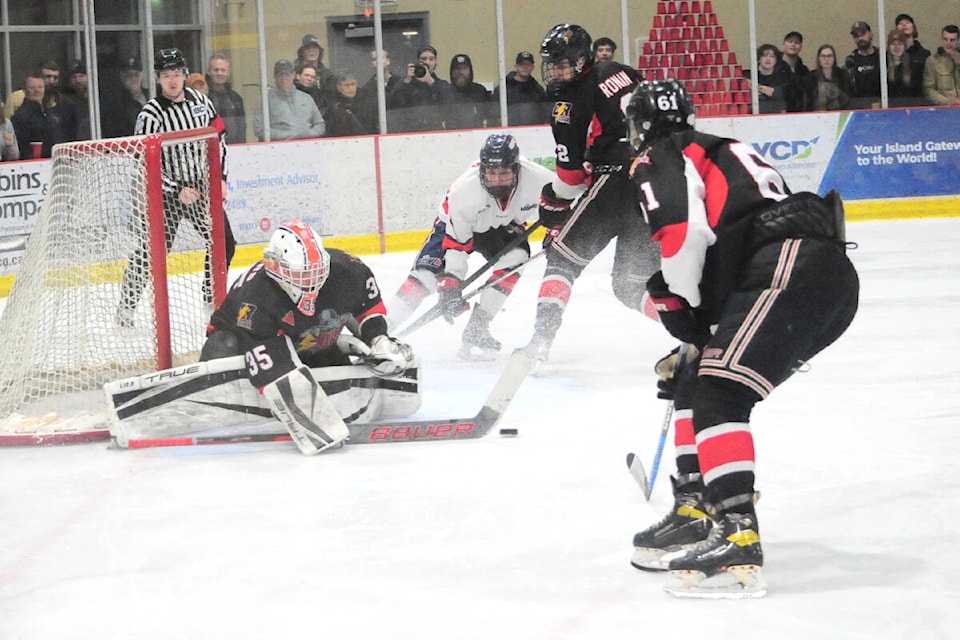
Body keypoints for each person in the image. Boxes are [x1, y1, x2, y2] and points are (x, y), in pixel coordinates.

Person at [624, 79, 859, 599]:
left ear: (638, 126)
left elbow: (684, 236)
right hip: (811, 271)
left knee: (719, 394)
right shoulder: (721, 147)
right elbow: (731, 236)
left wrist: (680, 307)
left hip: (788, 267)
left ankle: (737, 537)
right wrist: (697, 336)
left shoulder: (659, 155)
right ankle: (694, 509)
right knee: (697, 378)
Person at [200, 220, 415, 453]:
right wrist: (314, 423)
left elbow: (367, 308)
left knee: (338, 378)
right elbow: (268, 364)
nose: (311, 281)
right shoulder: (257, 297)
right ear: (276, 269)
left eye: (316, 271)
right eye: (301, 274)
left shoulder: (348, 269)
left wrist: (378, 340)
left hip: (304, 340)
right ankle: (209, 398)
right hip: (244, 345)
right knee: (224, 346)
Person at [520, 24, 658, 361]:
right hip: (656, 185)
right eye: (552, 64)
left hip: (615, 188)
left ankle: (539, 343)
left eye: (563, 64)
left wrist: (552, 203)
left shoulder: (569, 104)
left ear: (582, 60)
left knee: (562, 259)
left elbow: (568, 179)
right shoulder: (623, 71)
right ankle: (700, 334)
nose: (555, 71)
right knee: (630, 285)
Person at [387, 133, 554, 359]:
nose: (497, 180)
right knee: (426, 277)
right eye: (491, 173)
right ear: (482, 170)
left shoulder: (540, 180)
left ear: (516, 170)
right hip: (453, 226)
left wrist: (559, 231)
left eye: (504, 173)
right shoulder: (464, 192)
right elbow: (457, 245)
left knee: (516, 257)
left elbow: (569, 200)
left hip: (500, 225)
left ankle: (478, 328)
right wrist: (450, 286)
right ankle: (379, 331)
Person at [117, 48, 237, 327]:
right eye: (166, 75)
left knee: (224, 241)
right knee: (153, 250)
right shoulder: (150, 113)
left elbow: (220, 138)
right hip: (164, 194)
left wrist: (220, 178)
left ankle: (211, 296)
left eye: (177, 75)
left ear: (185, 75)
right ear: (158, 78)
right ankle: (126, 307)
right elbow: (143, 161)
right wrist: (174, 189)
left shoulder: (202, 102)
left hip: (200, 188)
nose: (172, 81)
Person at [253, 59, 326, 141]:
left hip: (307, 146)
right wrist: (288, 136)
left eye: (287, 74)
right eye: (280, 74)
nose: (283, 77)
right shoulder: (265, 98)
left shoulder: (306, 98)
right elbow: (259, 129)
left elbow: (320, 124)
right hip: (278, 149)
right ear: (274, 76)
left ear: (293, 75)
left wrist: (309, 134)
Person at [387, 45, 455, 132]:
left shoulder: (442, 85)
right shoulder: (406, 83)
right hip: (409, 132)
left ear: (435, 63)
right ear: (417, 62)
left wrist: (430, 81)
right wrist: (406, 81)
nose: (427, 62)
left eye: (431, 59)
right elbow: (392, 105)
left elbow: (449, 107)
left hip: (435, 132)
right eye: (423, 59)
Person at [11, 70, 71, 159]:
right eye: (32, 87)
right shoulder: (20, 117)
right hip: (37, 166)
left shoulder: (51, 113)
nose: (37, 91)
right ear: (24, 89)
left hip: (58, 162)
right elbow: (22, 147)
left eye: (40, 87)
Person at [492, 51, 549, 126]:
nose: (525, 67)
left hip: (533, 132)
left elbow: (545, 113)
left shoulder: (537, 90)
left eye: (528, 64)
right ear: (516, 66)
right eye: (522, 64)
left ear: (532, 67)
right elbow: (493, 114)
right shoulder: (503, 88)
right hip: (509, 131)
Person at [100, 56, 147, 138]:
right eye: (128, 75)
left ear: (142, 75)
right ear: (122, 76)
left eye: (136, 74)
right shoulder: (115, 102)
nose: (133, 78)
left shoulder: (151, 94)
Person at [206, 53, 247, 144]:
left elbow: (241, 128)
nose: (219, 73)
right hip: (212, 151)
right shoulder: (203, 98)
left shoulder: (236, 99)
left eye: (223, 70)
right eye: (216, 70)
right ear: (209, 71)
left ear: (229, 72)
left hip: (235, 150)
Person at [359, 49, 401, 133]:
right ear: (372, 64)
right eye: (374, 59)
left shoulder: (400, 83)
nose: (378, 62)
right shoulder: (367, 89)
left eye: (381, 58)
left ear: (388, 61)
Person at [447, 53, 492, 129]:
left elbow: (490, 115)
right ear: (452, 71)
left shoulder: (480, 91)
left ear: (470, 70)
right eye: (457, 68)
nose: (461, 72)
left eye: (464, 68)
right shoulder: (446, 91)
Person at [324, 70, 371, 137]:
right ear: (339, 87)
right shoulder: (333, 106)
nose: (350, 88)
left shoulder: (366, 102)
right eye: (346, 85)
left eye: (352, 84)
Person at [845, 21, 881, 108]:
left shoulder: (882, 56)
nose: (860, 38)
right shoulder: (850, 61)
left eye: (863, 33)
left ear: (871, 34)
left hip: (883, 107)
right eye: (856, 35)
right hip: (859, 108)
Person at [743, 44, 788, 113]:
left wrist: (773, 92)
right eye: (764, 55)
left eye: (772, 56)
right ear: (759, 59)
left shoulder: (782, 78)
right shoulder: (747, 75)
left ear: (776, 60)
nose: (768, 59)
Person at [774, 31, 812, 112]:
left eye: (797, 42)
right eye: (790, 41)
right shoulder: (773, 68)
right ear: (784, 44)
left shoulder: (804, 71)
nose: (793, 45)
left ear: (801, 47)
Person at [296, 34, 338, 106]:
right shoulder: (294, 73)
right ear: (302, 52)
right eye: (308, 48)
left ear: (320, 51)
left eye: (315, 48)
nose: (311, 50)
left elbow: (331, 100)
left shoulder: (328, 76)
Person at [922, 25, 960, 105]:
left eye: (952, 40)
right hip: (943, 108)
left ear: (958, 41)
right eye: (945, 39)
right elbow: (929, 90)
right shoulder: (932, 61)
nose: (948, 43)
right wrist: (949, 101)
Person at [886, 29, 924, 106]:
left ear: (905, 46)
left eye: (900, 44)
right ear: (888, 46)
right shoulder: (883, 65)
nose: (897, 47)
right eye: (893, 44)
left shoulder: (913, 65)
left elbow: (918, 92)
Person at [896, 13, 931, 90]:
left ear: (914, 28)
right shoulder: (891, 54)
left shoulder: (924, 54)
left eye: (907, 23)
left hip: (919, 98)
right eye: (900, 23)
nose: (904, 25)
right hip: (897, 98)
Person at [811, 44, 851, 111]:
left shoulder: (842, 75)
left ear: (834, 58)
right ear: (819, 59)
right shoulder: (811, 77)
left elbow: (848, 98)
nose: (826, 59)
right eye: (823, 56)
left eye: (829, 56)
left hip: (840, 113)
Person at [62, 59, 90, 140]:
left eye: (81, 76)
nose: (78, 80)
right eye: (74, 77)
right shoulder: (66, 103)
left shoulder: (98, 100)